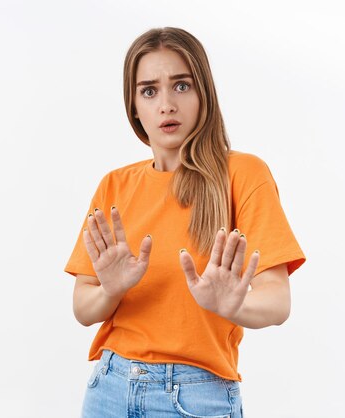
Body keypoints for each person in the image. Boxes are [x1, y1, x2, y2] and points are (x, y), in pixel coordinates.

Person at [64, 27, 306, 418]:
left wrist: (234, 305)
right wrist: (111, 290)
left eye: (181, 86)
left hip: (195, 397)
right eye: (149, 90)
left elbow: (277, 303)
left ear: (203, 93)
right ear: (134, 106)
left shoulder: (243, 174)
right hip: (109, 387)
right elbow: (83, 307)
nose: (166, 105)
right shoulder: (114, 185)